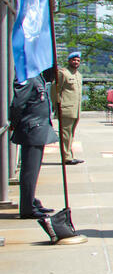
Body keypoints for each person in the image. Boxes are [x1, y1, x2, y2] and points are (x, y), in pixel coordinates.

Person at [9, 74, 85, 245]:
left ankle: (31, 201)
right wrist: (15, 123)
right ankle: (27, 207)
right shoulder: (27, 76)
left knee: (33, 170)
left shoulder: (37, 77)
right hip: (32, 128)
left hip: (39, 128)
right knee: (29, 171)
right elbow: (18, 104)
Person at [53, 51, 84, 165]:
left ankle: (70, 155)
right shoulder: (63, 73)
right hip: (66, 109)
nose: (76, 62)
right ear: (69, 61)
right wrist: (57, 106)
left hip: (75, 110)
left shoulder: (78, 75)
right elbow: (55, 90)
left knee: (70, 135)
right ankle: (67, 157)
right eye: (74, 60)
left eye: (78, 60)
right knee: (65, 135)